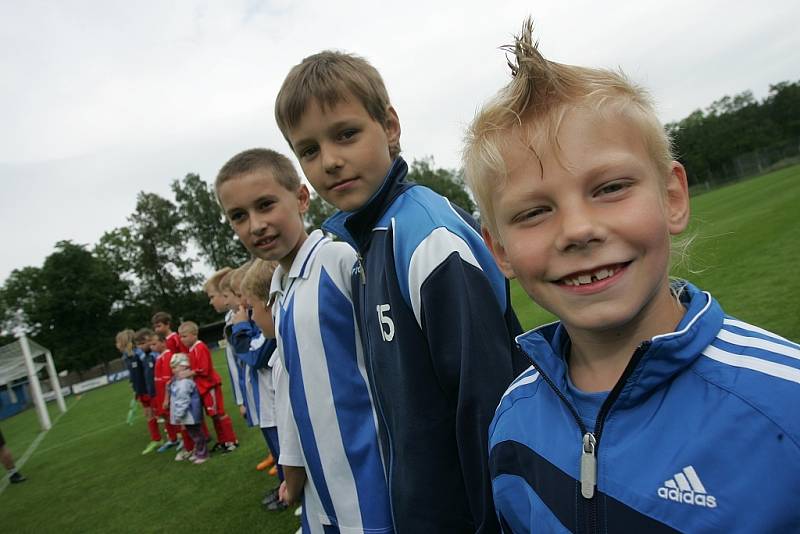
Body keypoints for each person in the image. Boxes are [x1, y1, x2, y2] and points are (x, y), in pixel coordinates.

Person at [462, 18, 800, 533]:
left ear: (672, 197)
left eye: (611, 188)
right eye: (533, 213)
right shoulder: (513, 420)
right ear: (499, 250)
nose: (577, 230)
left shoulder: (784, 404)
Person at [275, 51, 525, 533]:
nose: (329, 160)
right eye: (308, 150)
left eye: (346, 134)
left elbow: (487, 401)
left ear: (389, 126)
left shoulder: (425, 234)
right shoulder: (367, 246)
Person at [216, 148, 391, 533]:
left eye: (265, 205)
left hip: (372, 490)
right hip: (323, 493)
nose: (256, 225)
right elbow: (295, 394)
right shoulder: (281, 292)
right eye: (239, 216)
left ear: (300, 198)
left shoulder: (341, 261)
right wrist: (293, 474)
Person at [233, 259, 286, 508]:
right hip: (268, 402)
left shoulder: (268, 327)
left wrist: (240, 328)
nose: (244, 307)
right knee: (281, 453)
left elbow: (254, 357)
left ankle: (291, 493)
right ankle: (288, 489)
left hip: (275, 402)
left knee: (287, 453)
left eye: (247, 301)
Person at [177, 321, 239, 452]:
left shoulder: (200, 347)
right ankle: (223, 441)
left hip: (210, 386)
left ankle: (231, 441)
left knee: (219, 414)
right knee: (213, 415)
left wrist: (188, 373)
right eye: (180, 336)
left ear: (194, 334)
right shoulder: (192, 349)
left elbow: (204, 369)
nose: (182, 339)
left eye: (184, 336)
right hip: (203, 388)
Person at [168, 353, 208, 465]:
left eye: (175, 367)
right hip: (187, 414)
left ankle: (203, 454)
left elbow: (183, 399)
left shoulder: (184, 382)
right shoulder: (178, 381)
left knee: (197, 434)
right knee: (194, 434)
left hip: (190, 414)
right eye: (172, 368)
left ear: (184, 366)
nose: (173, 370)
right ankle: (199, 452)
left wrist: (178, 414)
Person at [150, 332, 181, 452]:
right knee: (164, 416)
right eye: (151, 345)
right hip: (160, 393)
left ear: (163, 343)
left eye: (154, 344)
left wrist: (167, 398)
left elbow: (168, 380)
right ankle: (172, 438)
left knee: (173, 416)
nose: (152, 347)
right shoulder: (159, 357)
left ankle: (181, 438)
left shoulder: (168, 356)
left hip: (167, 394)